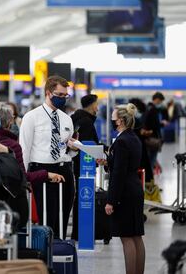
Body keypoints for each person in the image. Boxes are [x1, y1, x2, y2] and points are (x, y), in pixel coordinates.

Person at [20, 75, 78, 238]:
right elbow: (24, 149)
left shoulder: (66, 119)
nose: (63, 99)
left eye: (65, 95)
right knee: (47, 217)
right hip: (43, 171)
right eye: (59, 95)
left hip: (65, 170)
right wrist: (25, 179)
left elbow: (68, 150)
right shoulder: (31, 117)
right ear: (48, 93)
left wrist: (73, 148)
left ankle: (60, 248)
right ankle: (46, 253)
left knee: (64, 214)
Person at [98, 103, 145, 274]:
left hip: (125, 192)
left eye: (113, 118)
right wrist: (109, 162)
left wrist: (111, 201)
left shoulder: (121, 141)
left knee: (126, 237)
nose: (111, 120)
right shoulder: (133, 138)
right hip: (135, 188)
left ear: (120, 121)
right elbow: (123, 165)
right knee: (136, 236)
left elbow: (118, 174)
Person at [70, 94, 100, 240]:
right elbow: (87, 146)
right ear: (91, 105)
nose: (98, 107)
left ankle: (77, 232)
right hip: (83, 167)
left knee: (77, 199)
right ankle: (80, 233)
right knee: (83, 199)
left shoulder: (75, 118)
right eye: (96, 104)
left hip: (74, 164)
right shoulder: (87, 122)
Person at [144, 92, 168, 170]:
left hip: (146, 137)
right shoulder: (153, 109)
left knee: (149, 159)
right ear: (157, 100)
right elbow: (154, 125)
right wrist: (162, 124)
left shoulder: (147, 107)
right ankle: (150, 180)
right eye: (160, 101)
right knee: (152, 159)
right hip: (153, 138)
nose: (160, 103)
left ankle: (148, 179)